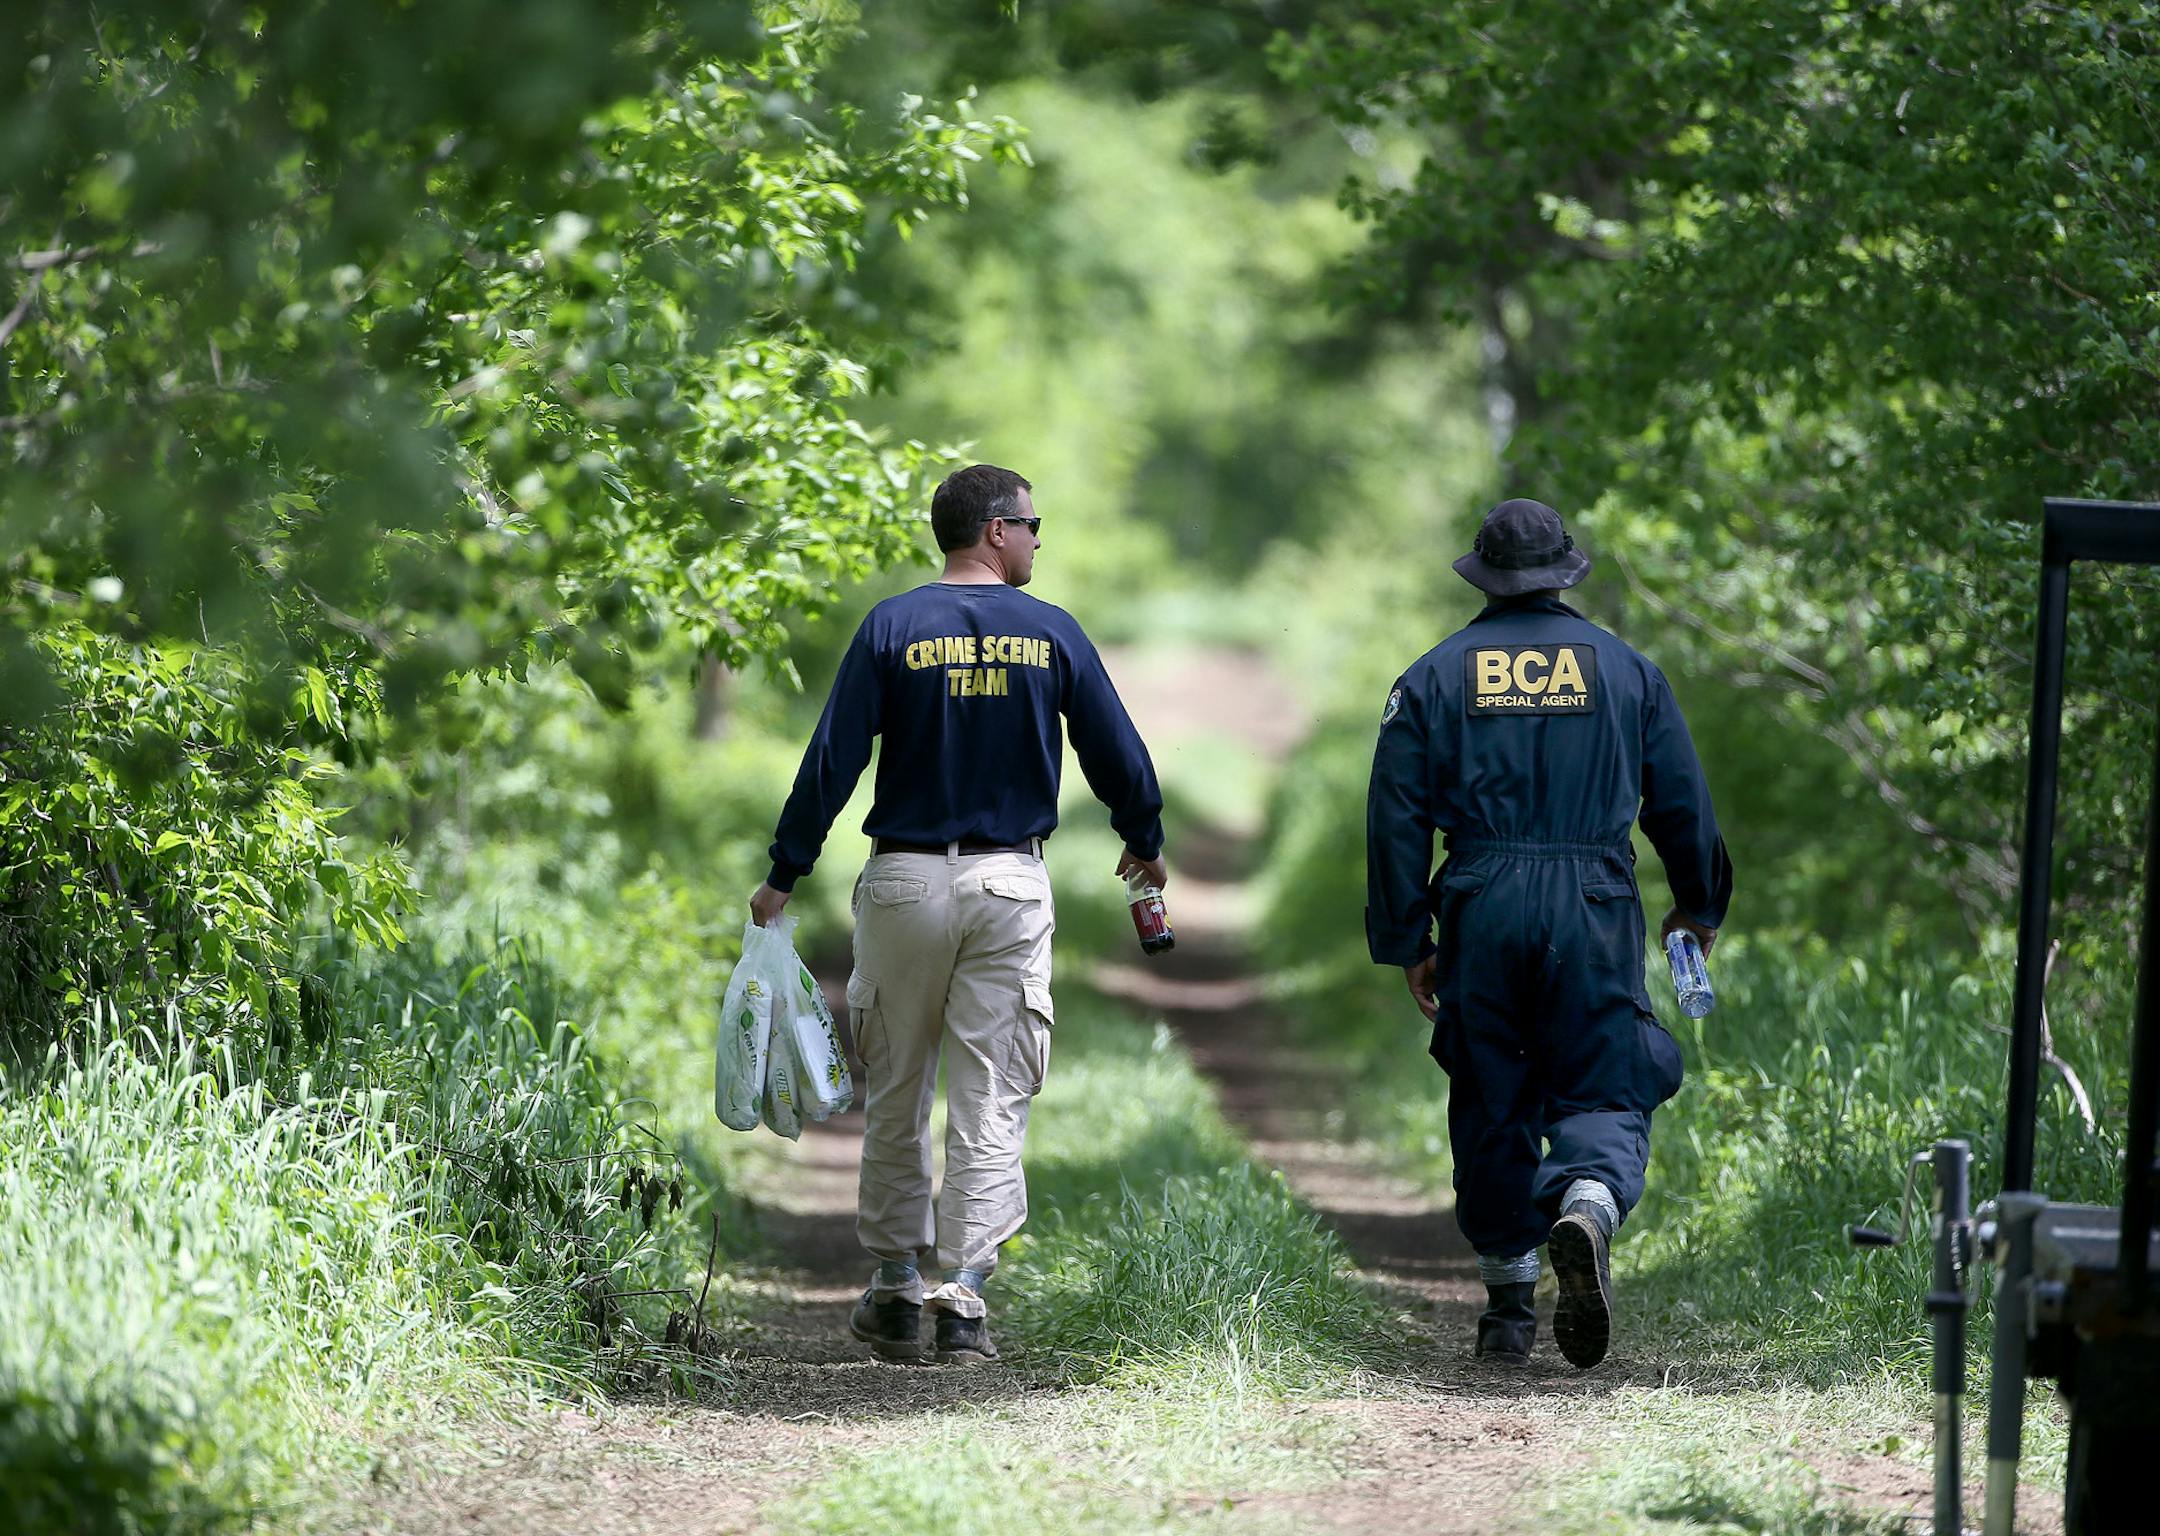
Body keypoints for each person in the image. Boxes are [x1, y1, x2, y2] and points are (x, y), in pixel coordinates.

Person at [750, 463, 1168, 1366]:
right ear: (995, 530)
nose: (1039, 539)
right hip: (1009, 885)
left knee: (896, 1087)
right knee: (992, 1092)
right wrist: (1145, 838)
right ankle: (964, 1298)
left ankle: (896, 1287)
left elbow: (832, 759)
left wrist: (785, 872)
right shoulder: (1052, 632)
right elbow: (1117, 752)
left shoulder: (891, 626)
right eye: (1033, 524)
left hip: (902, 883)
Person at [1364, 498, 1733, 1369]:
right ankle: (1589, 1205)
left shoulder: (1430, 677)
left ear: (1484, 577)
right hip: (1594, 899)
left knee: (1491, 1086)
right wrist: (1698, 902)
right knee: (1605, 1074)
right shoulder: (1628, 672)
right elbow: (1680, 798)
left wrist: (1408, 937)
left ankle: (1506, 1311)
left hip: (1482, 898)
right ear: (1565, 570)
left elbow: (1394, 818)